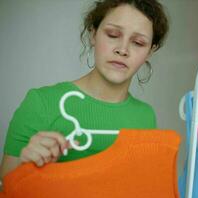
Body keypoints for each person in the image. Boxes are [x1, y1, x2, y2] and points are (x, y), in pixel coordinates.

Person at [0, 0, 169, 182]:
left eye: (138, 42)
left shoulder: (145, 116)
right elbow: (4, 188)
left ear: (150, 52)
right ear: (93, 34)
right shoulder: (41, 102)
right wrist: (25, 167)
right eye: (112, 35)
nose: (123, 49)